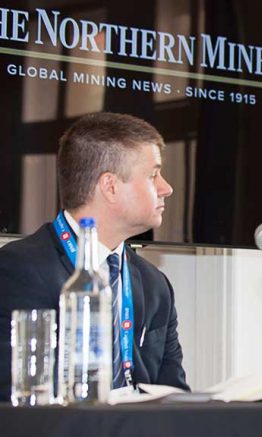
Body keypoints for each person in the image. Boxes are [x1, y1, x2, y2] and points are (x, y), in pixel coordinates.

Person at [0, 112, 188, 401]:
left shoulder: (155, 285)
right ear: (110, 186)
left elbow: (175, 397)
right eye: (153, 175)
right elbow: (18, 401)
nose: (167, 188)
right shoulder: (16, 270)